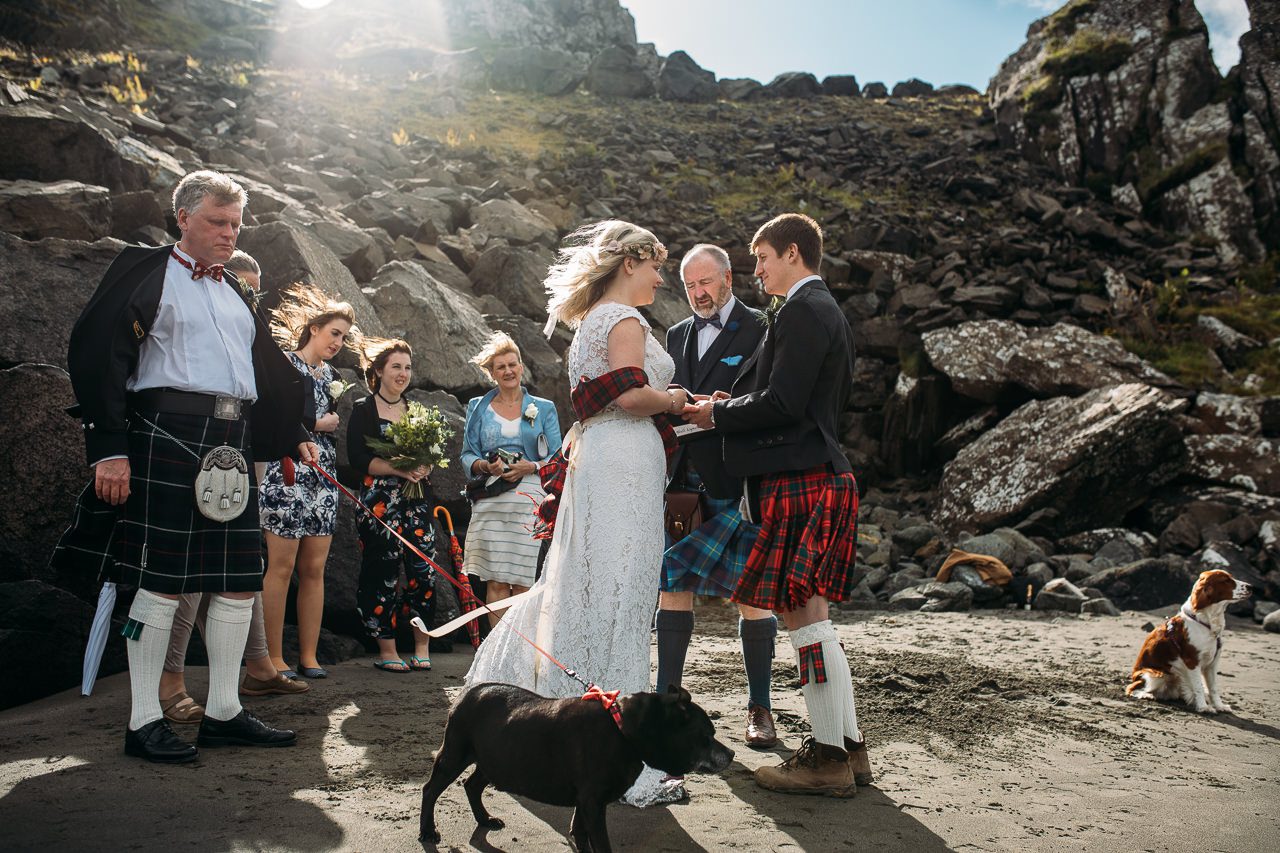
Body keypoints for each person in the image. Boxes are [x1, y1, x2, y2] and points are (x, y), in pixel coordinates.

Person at [53, 169, 317, 763]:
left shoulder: (236, 293)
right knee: (160, 581)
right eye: (217, 222)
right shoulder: (146, 273)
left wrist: (287, 432)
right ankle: (143, 719)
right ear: (184, 219)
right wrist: (110, 448)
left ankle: (224, 710)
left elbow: (262, 375)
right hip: (164, 433)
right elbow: (100, 354)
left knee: (237, 579)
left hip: (231, 441)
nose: (229, 234)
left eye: (236, 224)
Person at [465, 220, 690, 807]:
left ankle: (564, 713)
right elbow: (628, 397)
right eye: (655, 266)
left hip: (606, 459)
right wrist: (677, 401)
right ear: (629, 264)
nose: (660, 277)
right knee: (620, 589)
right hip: (623, 462)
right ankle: (618, 746)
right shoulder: (623, 320)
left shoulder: (591, 321)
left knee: (590, 583)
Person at [684, 213, 872, 796]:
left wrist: (716, 415)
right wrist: (728, 399)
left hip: (800, 479)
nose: (757, 268)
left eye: (763, 257)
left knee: (802, 617)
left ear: (793, 253)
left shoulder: (801, 310)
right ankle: (847, 748)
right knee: (814, 620)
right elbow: (781, 393)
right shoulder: (818, 310)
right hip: (816, 475)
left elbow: (786, 403)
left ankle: (825, 760)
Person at [157, 250, 309, 725]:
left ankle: (259, 666)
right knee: (187, 570)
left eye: (253, 290)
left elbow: (265, 383)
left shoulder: (245, 320)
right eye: (240, 285)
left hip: (245, 450)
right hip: (189, 443)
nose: (246, 296)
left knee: (240, 566)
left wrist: (293, 435)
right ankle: (169, 681)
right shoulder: (192, 306)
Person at [656, 243, 777, 748]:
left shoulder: (761, 329)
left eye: (706, 282)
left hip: (737, 481)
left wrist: (729, 407)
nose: (699, 293)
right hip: (685, 484)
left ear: (729, 277)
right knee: (672, 583)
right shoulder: (677, 333)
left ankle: (760, 708)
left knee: (752, 595)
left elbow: (772, 400)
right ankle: (667, 700)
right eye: (689, 286)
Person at [260, 284, 359, 680]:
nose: (338, 342)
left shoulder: (333, 375)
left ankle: (309, 656)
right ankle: (271, 658)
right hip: (287, 471)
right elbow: (267, 418)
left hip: (323, 474)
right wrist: (315, 424)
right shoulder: (283, 365)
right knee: (281, 567)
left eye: (344, 337)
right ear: (314, 328)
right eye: (334, 333)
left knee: (315, 567)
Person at [346, 339, 437, 673]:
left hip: (416, 503)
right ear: (379, 370)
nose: (403, 373)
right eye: (396, 366)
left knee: (423, 571)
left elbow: (431, 454)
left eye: (408, 367)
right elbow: (357, 458)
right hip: (379, 503)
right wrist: (399, 468)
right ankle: (387, 650)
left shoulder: (418, 412)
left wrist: (425, 466)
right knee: (382, 570)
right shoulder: (362, 409)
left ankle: (421, 646)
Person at [460, 332, 562, 627]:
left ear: (521, 366)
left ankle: (519, 654)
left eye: (512, 364)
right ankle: (496, 657)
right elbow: (467, 456)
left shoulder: (543, 408)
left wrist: (529, 467)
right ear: (491, 373)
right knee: (496, 581)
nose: (508, 371)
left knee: (523, 580)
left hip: (528, 498)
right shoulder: (477, 407)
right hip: (491, 498)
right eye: (500, 367)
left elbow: (557, 458)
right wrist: (485, 466)